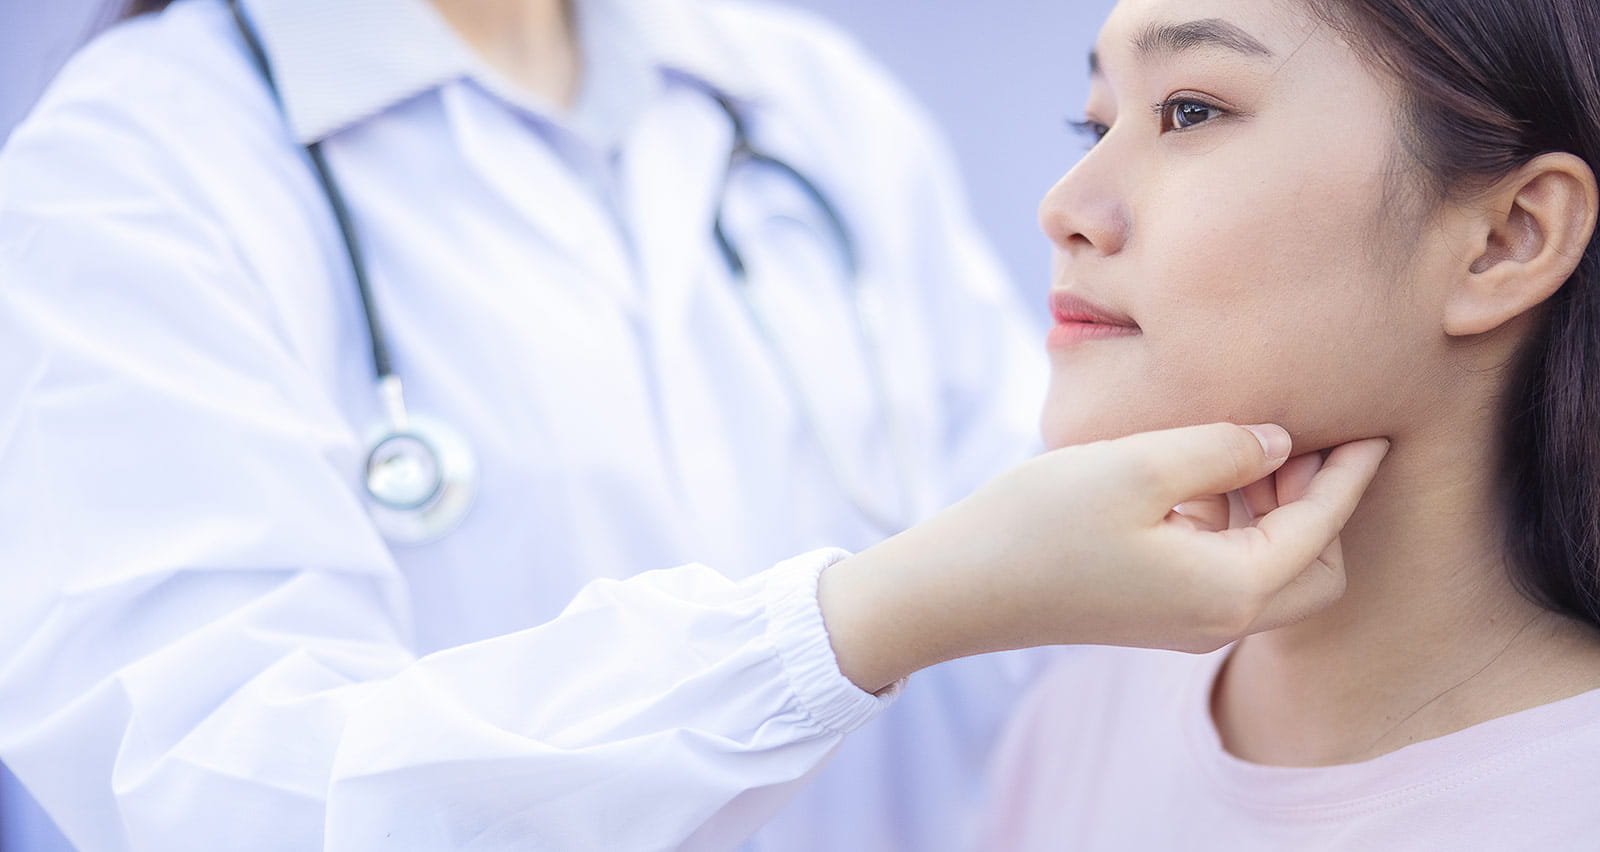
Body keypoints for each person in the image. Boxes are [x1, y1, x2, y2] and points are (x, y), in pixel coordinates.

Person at [0, 0, 1390, 848]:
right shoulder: (133, 172)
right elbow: (231, 802)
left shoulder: (803, 104)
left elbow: (1055, 609)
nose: (1080, 199)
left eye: (1188, 113)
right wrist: (862, 623)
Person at [975, 0, 1600, 847]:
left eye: (1189, 113)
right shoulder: (1080, 719)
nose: (1065, 209)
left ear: (1506, 239)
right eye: (1094, 127)